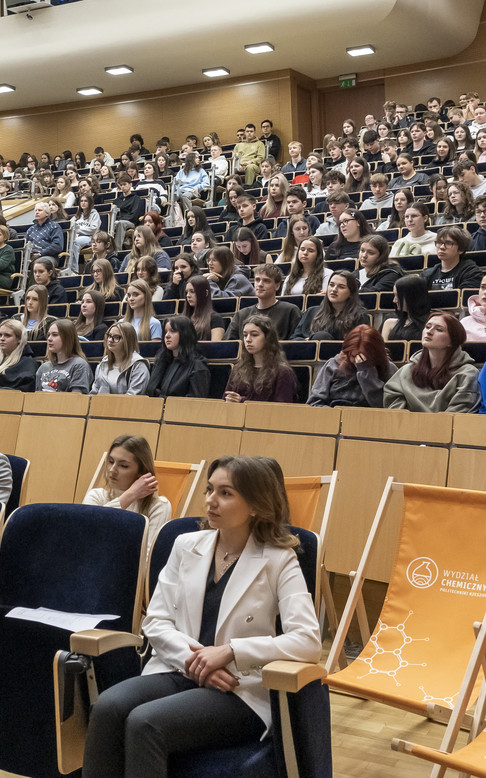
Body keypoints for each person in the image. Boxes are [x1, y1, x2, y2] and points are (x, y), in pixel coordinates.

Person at [82, 454, 320, 778]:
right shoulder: (185, 544)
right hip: (179, 669)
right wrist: (197, 665)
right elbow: (155, 621)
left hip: (238, 688)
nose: (210, 500)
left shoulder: (280, 559)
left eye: (226, 493)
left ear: (255, 505)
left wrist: (231, 651)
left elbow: (308, 641)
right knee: (108, 707)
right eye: (209, 489)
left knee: (145, 723)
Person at [83, 435, 174, 544]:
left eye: (123, 466)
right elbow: (87, 533)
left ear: (141, 471)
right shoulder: (96, 496)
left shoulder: (159, 506)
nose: (112, 470)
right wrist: (130, 495)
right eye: (111, 461)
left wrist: (132, 494)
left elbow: (149, 553)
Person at [383, 313, 481, 413]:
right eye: (427, 327)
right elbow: (392, 394)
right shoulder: (407, 370)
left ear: (452, 341)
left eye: (439, 329)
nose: (429, 332)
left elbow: (459, 412)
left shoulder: (467, 374)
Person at [307, 325, 393, 408]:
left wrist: (366, 373)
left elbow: (385, 405)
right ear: (347, 352)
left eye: (364, 357)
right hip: (335, 413)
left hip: (369, 415)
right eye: (353, 356)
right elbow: (314, 402)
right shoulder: (333, 365)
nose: (357, 360)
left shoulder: (388, 368)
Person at [222, 316, 295, 404]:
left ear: (268, 338)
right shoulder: (238, 369)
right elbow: (225, 399)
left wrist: (242, 401)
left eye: (254, 335)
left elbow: (282, 407)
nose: (248, 340)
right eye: (245, 335)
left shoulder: (282, 372)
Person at [144, 315, 210, 399]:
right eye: (165, 332)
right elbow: (150, 391)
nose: (167, 336)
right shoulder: (162, 361)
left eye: (172, 331)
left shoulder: (197, 366)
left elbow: (195, 402)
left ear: (184, 334)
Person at [299, 271, 371, 341]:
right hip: (311, 349)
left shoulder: (360, 316)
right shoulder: (312, 312)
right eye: (331, 285)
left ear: (351, 293)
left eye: (341, 287)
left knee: (322, 336)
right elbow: (296, 338)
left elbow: (361, 344)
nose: (334, 290)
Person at [92, 322, 151, 395]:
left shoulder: (138, 366)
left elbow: (134, 397)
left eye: (117, 337)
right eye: (109, 336)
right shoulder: (103, 364)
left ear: (128, 341)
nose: (110, 340)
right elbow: (94, 393)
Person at [36, 319, 92, 393]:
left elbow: (77, 397)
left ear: (67, 338)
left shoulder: (79, 365)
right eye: (48, 335)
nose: (49, 339)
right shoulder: (43, 367)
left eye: (55, 335)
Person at [422, 227, 484, 293]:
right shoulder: (427, 274)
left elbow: (463, 297)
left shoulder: (471, 272)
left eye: (448, 243)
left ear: (461, 250)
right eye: (439, 242)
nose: (442, 247)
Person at [380, 275, 432, 342]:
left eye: (398, 296)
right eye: (394, 295)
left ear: (412, 297)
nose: (394, 300)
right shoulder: (389, 322)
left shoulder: (431, 324)